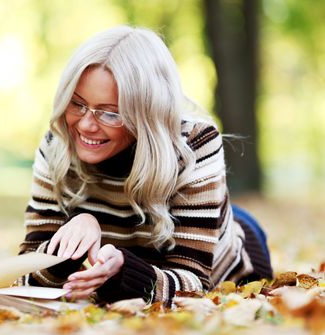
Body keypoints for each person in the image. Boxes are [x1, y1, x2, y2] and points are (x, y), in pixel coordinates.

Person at [18, 25, 273, 304]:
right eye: (77, 104)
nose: (87, 125)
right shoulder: (58, 145)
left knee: (236, 221)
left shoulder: (195, 144)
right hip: (146, 246)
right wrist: (69, 247)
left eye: (110, 113)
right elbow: (24, 276)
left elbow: (194, 284)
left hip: (231, 253)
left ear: (146, 114)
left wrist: (125, 271)